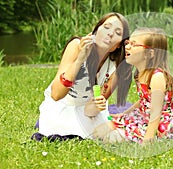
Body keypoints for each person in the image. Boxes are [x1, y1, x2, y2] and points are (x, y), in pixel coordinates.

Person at [31, 12, 132, 141]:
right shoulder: (76, 46)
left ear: (119, 45)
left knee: (107, 133)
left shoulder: (117, 66)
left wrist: (97, 105)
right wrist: (80, 59)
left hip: (88, 110)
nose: (110, 33)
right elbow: (56, 94)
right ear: (95, 31)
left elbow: (94, 108)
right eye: (106, 27)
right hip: (64, 105)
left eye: (118, 33)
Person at [93, 27, 173, 144]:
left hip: (159, 123)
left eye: (134, 45)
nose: (127, 47)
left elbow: (156, 113)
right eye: (128, 43)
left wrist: (148, 139)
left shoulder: (157, 77)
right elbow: (145, 99)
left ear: (149, 53)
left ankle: (131, 134)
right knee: (99, 130)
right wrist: (125, 114)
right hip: (144, 115)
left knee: (110, 137)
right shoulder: (139, 73)